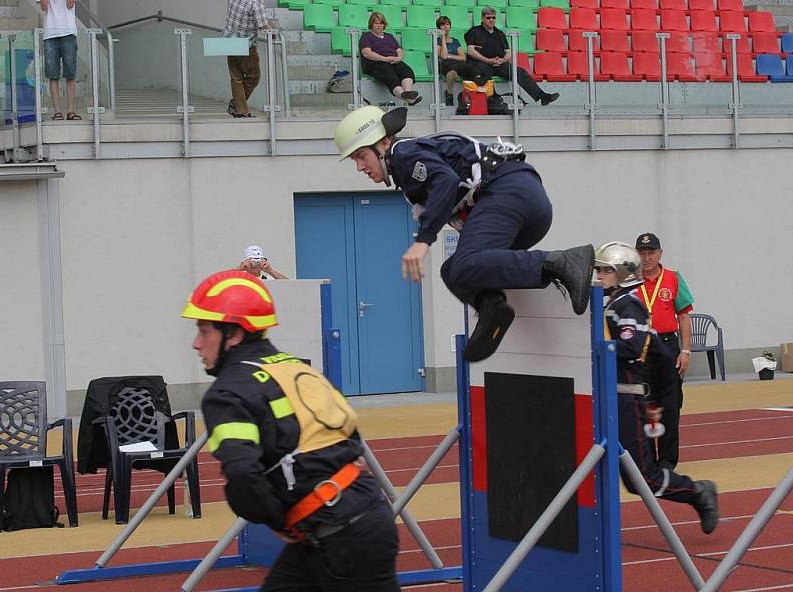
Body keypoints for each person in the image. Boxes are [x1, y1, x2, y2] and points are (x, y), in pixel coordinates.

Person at [181, 270, 400, 591]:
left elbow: (243, 476)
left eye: (204, 331)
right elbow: (349, 434)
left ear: (235, 335)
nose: (196, 344)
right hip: (354, 521)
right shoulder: (297, 367)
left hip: (339, 534)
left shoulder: (226, 394)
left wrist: (277, 520)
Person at [334, 105, 594, 362]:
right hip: (530, 202)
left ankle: (561, 262)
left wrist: (423, 241)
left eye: (360, 156)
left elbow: (445, 182)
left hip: (509, 191)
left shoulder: (402, 155)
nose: (360, 167)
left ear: (384, 142)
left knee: (466, 262)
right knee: (452, 270)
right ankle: (493, 308)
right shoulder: (409, 169)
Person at [594, 241, 718, 534]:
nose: (598, 276)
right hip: (605, 398)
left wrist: (595, 348)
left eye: (604, 271)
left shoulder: (629, 305)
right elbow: (658, 355)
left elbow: (631, 346)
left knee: (642, 480)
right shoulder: (611, 305)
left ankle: (697, 492)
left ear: (622, 273)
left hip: (625, 400)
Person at [634, 232, 694, 470]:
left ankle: (667, 460)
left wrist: (686, 351)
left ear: (660, 254)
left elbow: (684, 315)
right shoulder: (630, 279)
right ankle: (646, 459)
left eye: (651, 253)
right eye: (642, 253)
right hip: (639, 348)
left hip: (667, 346)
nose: (646, 258)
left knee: (669, 404)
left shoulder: (673, 278)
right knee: (643, 403)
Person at [464, 7, 559, 106]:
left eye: (493, 18)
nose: (491, 20)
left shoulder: (499, 33)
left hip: (498, 63)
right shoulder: (474, 31)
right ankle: (494, 102)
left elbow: (508, 52)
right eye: (488, 18)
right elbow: (471, 51)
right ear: (482, 18)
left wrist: (503, 60)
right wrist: (488, 60)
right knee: (483, 71)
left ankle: (542, 97)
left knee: (519, 71)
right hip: (481, 63)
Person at [360, 12, 422, 106]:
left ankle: (408, 93)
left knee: (406, 70)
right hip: (375, 63)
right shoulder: (366, 36)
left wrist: (399, 57)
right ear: (371, 24)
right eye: (376, 23)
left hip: (392, 61)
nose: (379, 26)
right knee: (388, 73)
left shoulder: (389, 36)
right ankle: (404, 96)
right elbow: (366, 53)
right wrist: (385, 59)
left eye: (381, 23)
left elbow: (399, 49)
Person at [223, 0, 271, 118]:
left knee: (236, 78)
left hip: (228, 41)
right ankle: (236, 105)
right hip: (246, 46)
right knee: (254, 78)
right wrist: (274, 31)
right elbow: (264, 26)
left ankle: (241, 111)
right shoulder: (255, 3)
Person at [41, 0, 80, 121]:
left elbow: (70, 4)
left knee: (70, 73)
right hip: (50, 34)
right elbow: (44, 7)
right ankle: (57, 111)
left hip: (68, 31)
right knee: (53, 74)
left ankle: (71, 111)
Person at [436, 16, 483, 107]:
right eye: (442, 25)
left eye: (447, 24)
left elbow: (463, 57)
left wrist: (450, 56)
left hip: (457, 64)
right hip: (444, 65)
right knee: (452, 72)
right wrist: (442, 39)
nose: (445, 27)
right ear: (439, 28)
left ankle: (471, 96)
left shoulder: (455, 41)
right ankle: (449, 95)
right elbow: (443, 56)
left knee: (473, 69)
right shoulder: (437, 40)